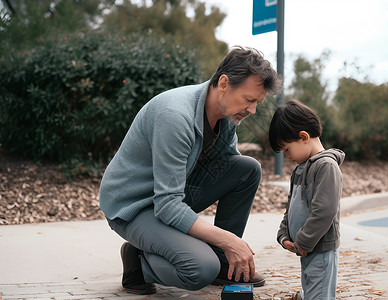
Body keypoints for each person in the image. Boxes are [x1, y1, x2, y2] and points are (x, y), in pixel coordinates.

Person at [99, 46, 281, 294]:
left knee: (247, 169)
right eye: (249, 100)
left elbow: (228, 169)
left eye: (257, 103)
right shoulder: (175, 116)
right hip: (134, 206)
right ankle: (138, 262)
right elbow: (167, 205)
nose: (252, 110)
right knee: (199, 269)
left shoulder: (226, 115)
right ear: (224, 83)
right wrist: (230, 241)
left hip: (170, 195)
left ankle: (223, 265)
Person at [268, 99, 345, 300]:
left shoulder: (326, 166)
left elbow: (324, 211)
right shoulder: (300, 169)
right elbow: (292, 207)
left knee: (319, 293)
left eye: (286, 149)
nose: (286, 156)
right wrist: (284, 233)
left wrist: (303, 240)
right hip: (307, 249)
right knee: (312, 287)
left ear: (303, 137)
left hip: (319, 248)